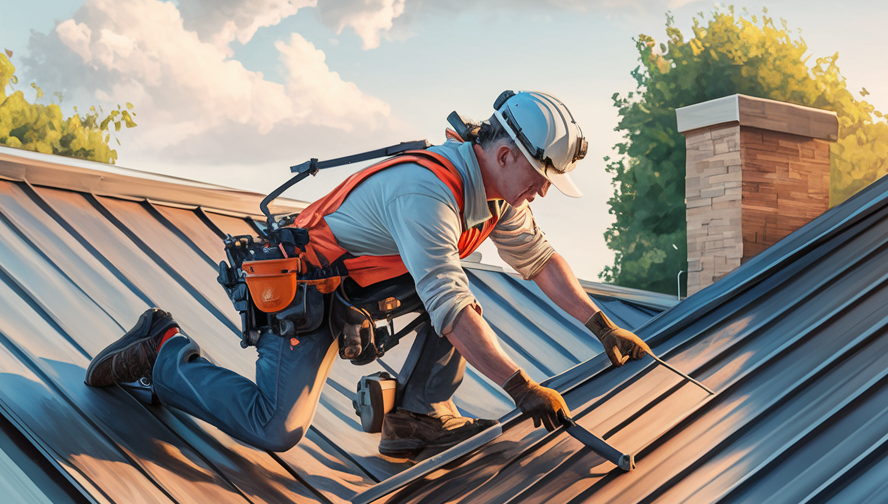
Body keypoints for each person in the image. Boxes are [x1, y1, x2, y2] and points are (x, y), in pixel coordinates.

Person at [84, 90, 650, 458]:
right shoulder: (427, 193)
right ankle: (162, 350)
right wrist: (521, 388)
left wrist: (601, 327)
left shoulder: (501, 195)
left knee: (454, 290)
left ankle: (418, 416)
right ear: (504, 155)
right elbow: (449, 308)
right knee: (275, 428)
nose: (545, 189)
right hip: (308, 293)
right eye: (541, 174)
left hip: (362, 291)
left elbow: (541, 262)